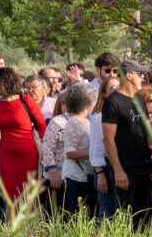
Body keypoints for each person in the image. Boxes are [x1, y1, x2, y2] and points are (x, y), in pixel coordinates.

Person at [102, 60, 152, 223]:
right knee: (126, 218)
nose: (143, 77)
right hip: (126, 168)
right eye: (140, 74)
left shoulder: (139, 100)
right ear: (129, 76)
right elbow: (108, 139)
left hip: (145, 166)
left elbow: (149, 133)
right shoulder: (113, 102)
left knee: (144, 217)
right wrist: (118, 171)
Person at [0, 67, 46, 205]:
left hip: (29, 155)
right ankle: (11, 227)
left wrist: (45, 154)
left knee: (31, 196)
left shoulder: (26, 100)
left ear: (3, 82)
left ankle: (34, 226)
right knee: (10, 198)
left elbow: (42, 126)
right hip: (7, 157)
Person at [61, 83, 95, 214]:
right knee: (81, 215)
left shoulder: (86, 121)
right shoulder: (74, 121)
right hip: (77, 177)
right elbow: (70, 152)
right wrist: (95, 154)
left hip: (86, 175)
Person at [90, 78, 119, 218]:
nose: (117, 89)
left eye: (119, 86)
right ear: (104, 93)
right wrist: (100, 173)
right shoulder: (99, 116)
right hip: (105, 167)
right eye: (113, 87)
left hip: (118, 163)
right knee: (108, 212)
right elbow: (96, 147)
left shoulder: (119, 113)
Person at [43, 90, 69, 211]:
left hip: (74, 175)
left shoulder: (83, 120)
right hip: (57, 174)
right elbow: (47, 148)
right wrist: (53, 173)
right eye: (65, 102)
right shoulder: (56, 122)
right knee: (56, 212)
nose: (68, 105)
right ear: (60, 104)